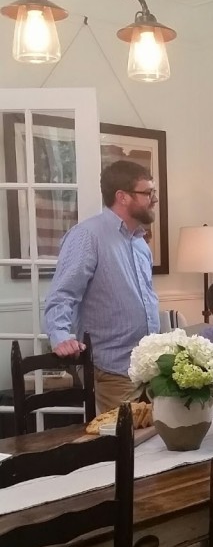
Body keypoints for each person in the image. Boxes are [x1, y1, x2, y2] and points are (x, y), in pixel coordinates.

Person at [44, 159, 160, 413]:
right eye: (148, 192)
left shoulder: (140, 242)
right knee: (124, 438)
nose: (154, 199)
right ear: (122, 197)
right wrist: (60, 336)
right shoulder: (87, 235)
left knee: (158, 436)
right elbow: (62, 294)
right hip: (112, 371)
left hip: (148, 370)